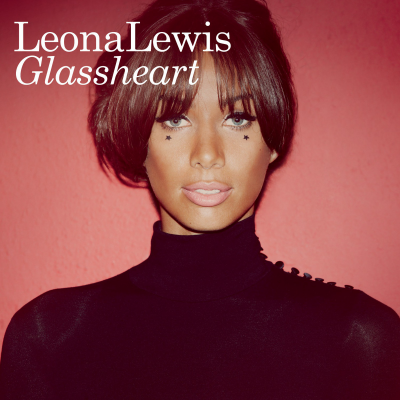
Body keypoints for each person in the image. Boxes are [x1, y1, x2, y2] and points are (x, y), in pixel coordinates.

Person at [1, 0, 399, 398]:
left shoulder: (359, 341)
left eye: (238, 118)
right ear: (139, 138)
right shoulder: (49, 340)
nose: (207, 154)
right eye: (175, 119)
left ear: (274, 139)